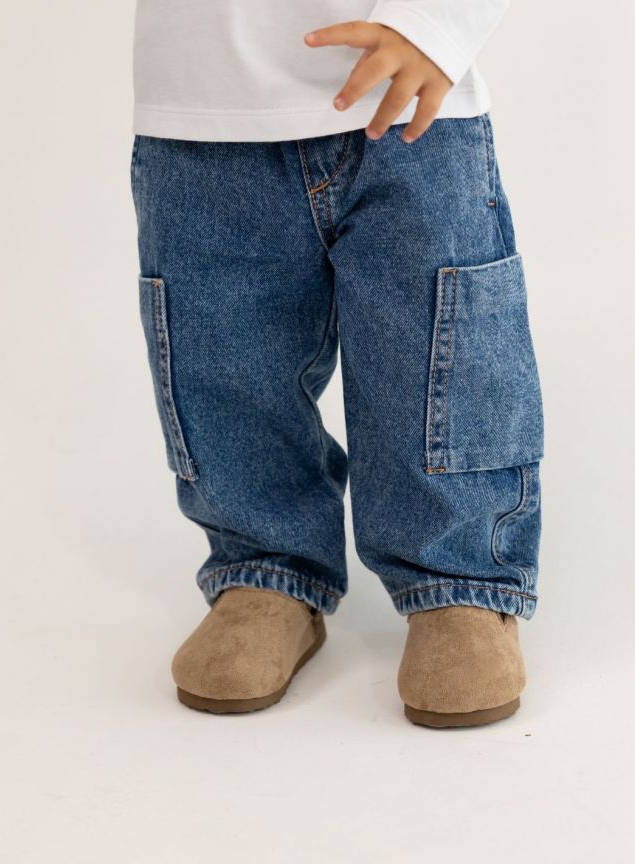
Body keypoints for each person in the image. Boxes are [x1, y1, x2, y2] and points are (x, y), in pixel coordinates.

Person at [131, 0, 543, 727]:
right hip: (206, 103)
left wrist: (438, 25)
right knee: (225, 357)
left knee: (435, 357)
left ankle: (459, 583)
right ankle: (264, 569)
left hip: (411, 101)